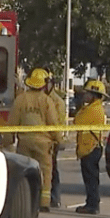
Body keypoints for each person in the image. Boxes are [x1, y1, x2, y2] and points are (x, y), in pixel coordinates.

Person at [4, 68, 62, 212]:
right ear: (43, 84)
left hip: (24, 143)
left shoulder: (20, 99)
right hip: (43, 144)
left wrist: (7, 140)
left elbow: (12, 122)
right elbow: (53, 123)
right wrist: (58, 140)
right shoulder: (47, 101)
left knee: (24, 172)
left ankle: (26, 201)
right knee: (45, 173)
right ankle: (43, 203)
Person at [74, 80, 109, 215]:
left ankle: (92, 205)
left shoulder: (93, 110)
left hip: (90, 148)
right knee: (91, 178)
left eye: (87, 93)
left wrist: (80, 106)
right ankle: (91, 203)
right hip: (90, 147)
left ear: (94, 95)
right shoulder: (93, 108)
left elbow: (77, 121)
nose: (84, 95)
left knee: (90, 179)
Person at [44, 72, 66, 208]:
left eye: (47, 82)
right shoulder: (40, 98)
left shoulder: (57, 102)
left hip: (51, 140)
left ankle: (55, 197)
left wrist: (57, 140)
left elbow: (58, 123)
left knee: (52, 169)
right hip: (41, 139)